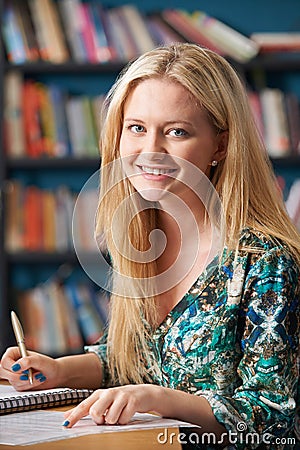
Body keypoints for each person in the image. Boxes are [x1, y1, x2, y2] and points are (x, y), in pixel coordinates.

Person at [0, 43, 299, 449]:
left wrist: (158, 400)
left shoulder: (266, 261)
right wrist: (59, 371)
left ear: (221, 146)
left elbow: (273, 421)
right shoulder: (141, 236)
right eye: (137, 128)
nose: (150, 151)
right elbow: (129, 357)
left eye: (177, 132)